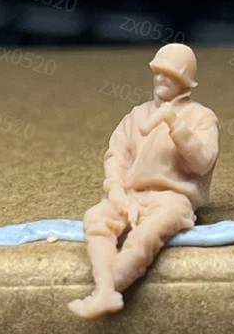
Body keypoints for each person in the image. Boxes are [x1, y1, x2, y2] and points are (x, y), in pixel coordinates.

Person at [69, 43, 220, 319]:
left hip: (174, 200)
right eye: (158, 72)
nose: (160, 79)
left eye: (169, 75)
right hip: (131, 194)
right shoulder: (137, 115)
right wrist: (116, 191)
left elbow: (202, 162)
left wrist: (174, 123)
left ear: (185, 81)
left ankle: (106, 290)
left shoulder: (201, 117)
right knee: (96, 220)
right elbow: (116, 155)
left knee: (143, 238)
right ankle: (106, 291)